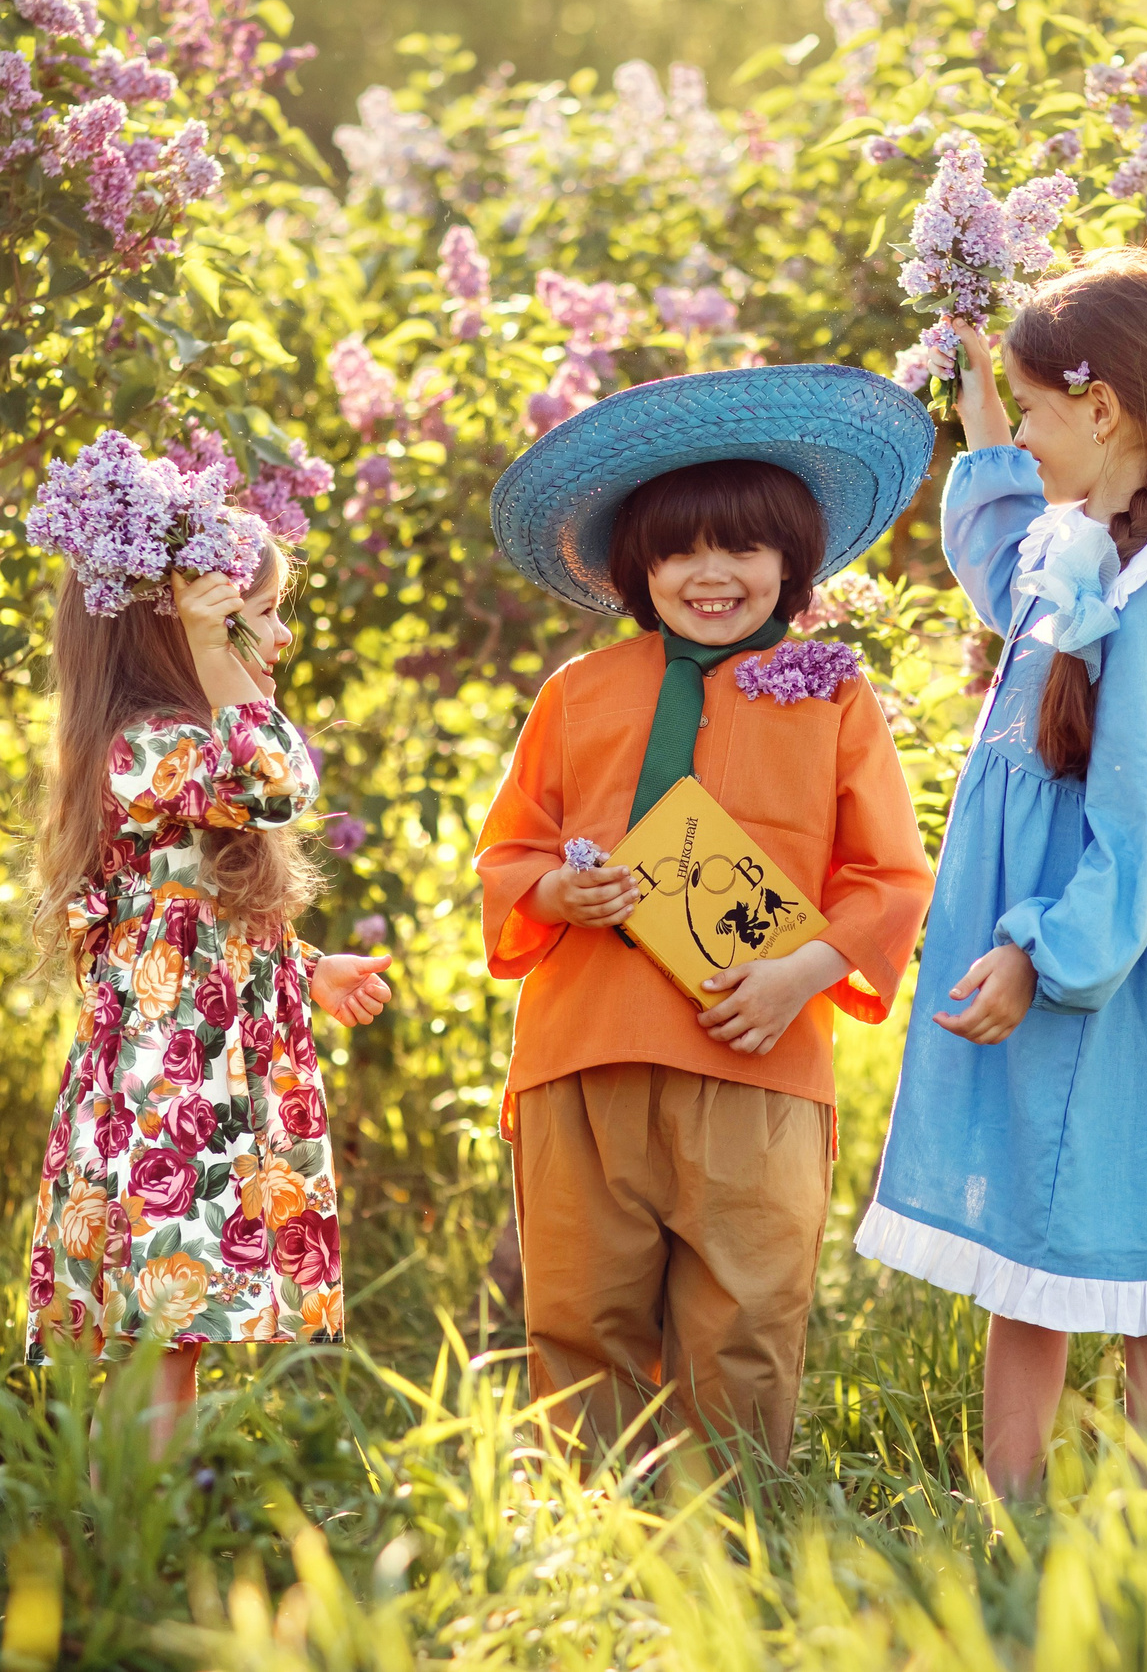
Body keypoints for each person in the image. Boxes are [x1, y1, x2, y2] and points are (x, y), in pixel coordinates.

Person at [477, 364, 939, 1466]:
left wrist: (800, 974)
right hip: (584, 1052)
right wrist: (555, 890)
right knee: (579, 1315)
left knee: (744, 1320)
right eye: (679, 549)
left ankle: (725, 1546)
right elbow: (509, 849)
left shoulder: (828, 692)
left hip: (756, 1049)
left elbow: (888, 876)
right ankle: (590, 1550)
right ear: (637, 566)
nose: (710, 573)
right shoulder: (578, 694)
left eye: (741, 547)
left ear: (792, 563)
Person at [852, 248, 1147, 1496]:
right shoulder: (1073, 546)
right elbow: (1000, 563)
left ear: (1103, 411)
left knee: (1133, 1240)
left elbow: (1137, 830)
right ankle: (1010, 1512)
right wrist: (986, 431)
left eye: (1032, 410)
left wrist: (1043, 950)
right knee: (1031, 1233)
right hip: (1033, 948)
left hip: (1097, 962)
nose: (1021, 432)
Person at [25, 536, 393, 1455]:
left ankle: (142, 1534)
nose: (281, 635)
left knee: (174, 1337)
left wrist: (306, 968)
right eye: (258, 614)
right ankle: (130, 1545)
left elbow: (191, 909)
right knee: (164, 1331)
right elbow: (279, 785)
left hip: (190, 1077)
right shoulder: (145, 750)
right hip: (170, 1090)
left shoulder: (185, 746)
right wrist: (224, 661)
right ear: (172, 627)